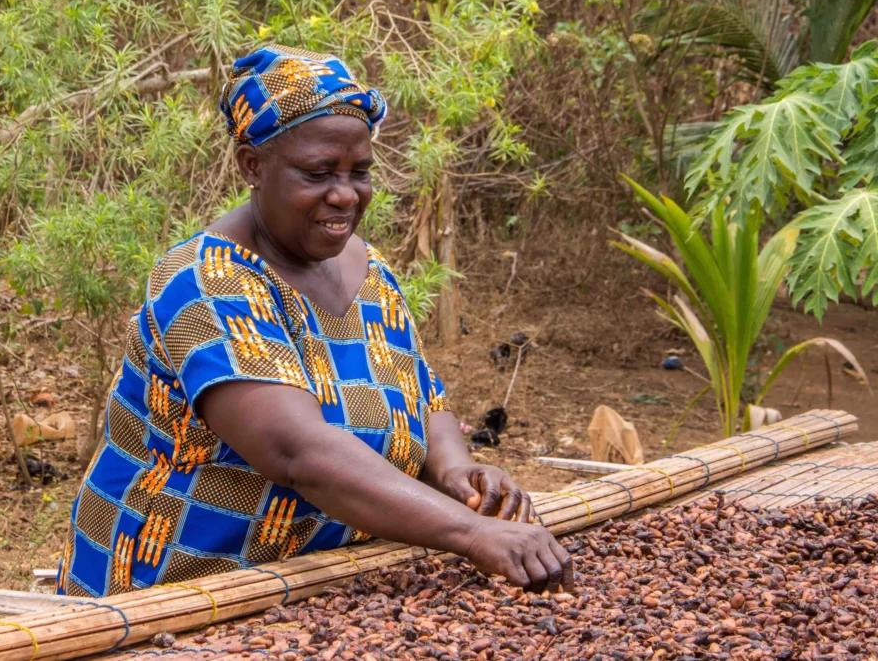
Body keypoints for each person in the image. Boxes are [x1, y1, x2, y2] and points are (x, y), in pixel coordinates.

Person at [57, 45, 572, 598]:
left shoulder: (367, 268)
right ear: (252, 166)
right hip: (174, 589)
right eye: (319, 172)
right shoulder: (205, 282)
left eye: (360, 172)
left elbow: (422, 399)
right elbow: (299, 452)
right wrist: (473, 533)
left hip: (310, 581)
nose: (345, 194)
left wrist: (454, 471)